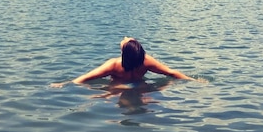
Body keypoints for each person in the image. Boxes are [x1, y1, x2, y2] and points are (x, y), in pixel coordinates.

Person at [52, 37, 195, 87]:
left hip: (117, 88)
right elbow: (171, 73)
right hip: (141, 87)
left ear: (123, 54)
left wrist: (64, 84)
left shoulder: (114, 65)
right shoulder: (145, 61)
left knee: (105, 97)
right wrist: (192, 80)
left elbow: (86, 78)